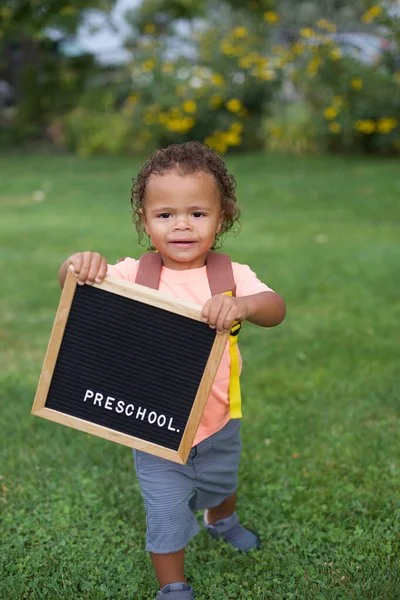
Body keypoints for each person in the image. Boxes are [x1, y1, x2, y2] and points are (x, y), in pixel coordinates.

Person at [58, 141, 286, 600]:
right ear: (145, 221)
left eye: (197, 214)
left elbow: (275, 308)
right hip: (153, 424)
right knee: (164, 510)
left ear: (222, 219)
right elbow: (72, 282)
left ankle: (221, 519)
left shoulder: (230, 275)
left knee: (222, 483)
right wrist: (77, 264)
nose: (181, 224)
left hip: (218, 420)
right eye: (165, 215)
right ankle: (173, 586)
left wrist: (242, 304)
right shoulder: (133, 274)